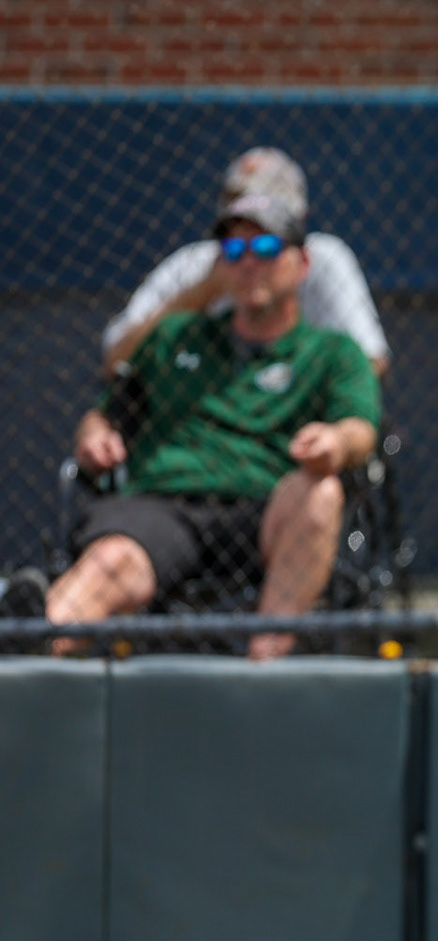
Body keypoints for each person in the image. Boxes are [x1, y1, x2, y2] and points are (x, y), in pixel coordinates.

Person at [44, 191, 382, 661]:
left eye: (264, 249)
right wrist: (93, 437)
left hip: (262, 511)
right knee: (109, 561)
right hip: (164, 508)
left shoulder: (333, 353)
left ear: (302, 263)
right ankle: (32, 648)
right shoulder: (172, 337)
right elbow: (104, 414)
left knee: (320, 495)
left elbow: (361, 430)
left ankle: (259, 674)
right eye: (233, 252)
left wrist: (336, 443)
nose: (248, 264)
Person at [102, 147, 391, 379]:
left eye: (267, 247)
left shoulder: (323, 257)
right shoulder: (192, 262)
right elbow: (116, 357)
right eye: (237, 247)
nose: (250, 262)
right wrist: (205, 289)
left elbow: (372, 360)